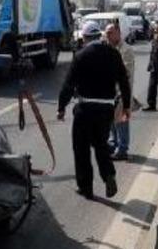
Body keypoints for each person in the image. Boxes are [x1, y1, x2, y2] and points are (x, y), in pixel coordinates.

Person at [58, 21, 131, 199]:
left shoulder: (81, 55)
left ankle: (86, 188)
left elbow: (68, 85)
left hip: (85, 109)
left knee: (81, 148)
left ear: (84, 37)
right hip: (106, 109)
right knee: (101, 145)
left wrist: (61, 107)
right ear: (99, 35)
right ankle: (109, 175)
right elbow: (124, 82)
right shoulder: (114, 54)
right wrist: (127, 106)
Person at [104, 23, 135, 161]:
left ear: (118, 33)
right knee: (112, 119)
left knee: (122, 120)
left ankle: (123, 149)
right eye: (106, 33)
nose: (107, 36)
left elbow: (125, 72)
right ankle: (114, 143)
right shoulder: (109, 48)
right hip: (110, 92)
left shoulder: (126, 50)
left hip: (122, 92)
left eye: (110, 32)